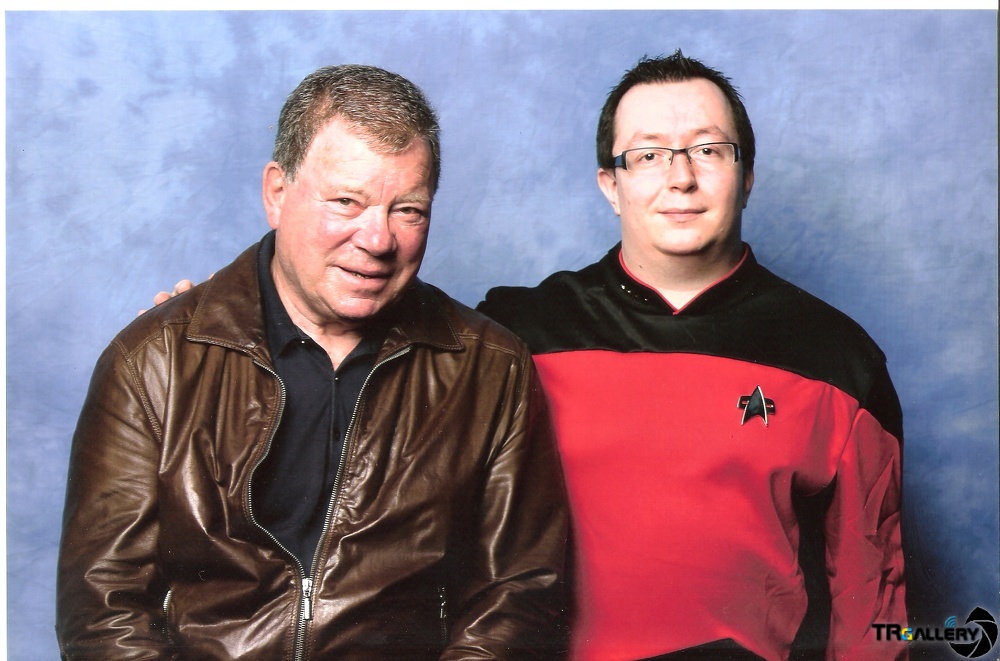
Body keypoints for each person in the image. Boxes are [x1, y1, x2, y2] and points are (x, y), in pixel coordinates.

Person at [56, 64, 569, 660]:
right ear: (277, 193)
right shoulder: (154, 362)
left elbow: (517, 598)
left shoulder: (491, 369)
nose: (378, 240)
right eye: (346, 202)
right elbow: (105, 611)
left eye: (408, 210)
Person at [478, 51, 907, 661]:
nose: (680, 177)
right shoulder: (516, 334)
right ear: (611, 185)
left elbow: (873, 609)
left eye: (708, 150)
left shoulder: (838, 360)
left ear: (746, 175)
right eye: (648, 155)